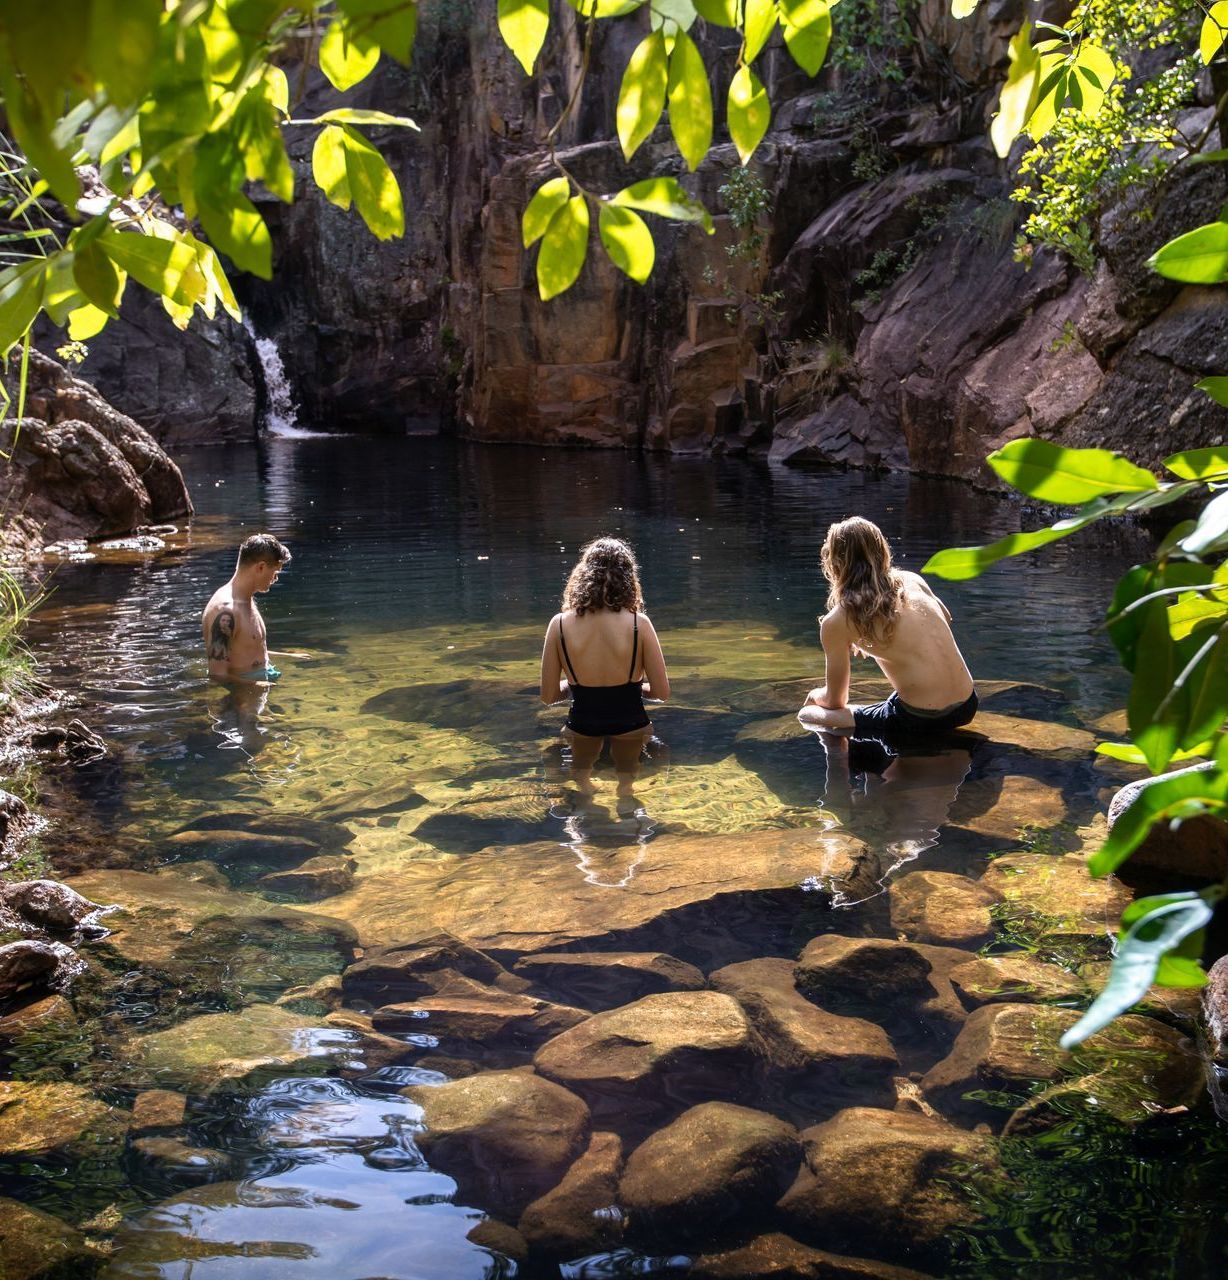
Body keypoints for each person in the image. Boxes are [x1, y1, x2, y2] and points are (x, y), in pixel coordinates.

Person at [799, 517, 976, 738]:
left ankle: (838, 770)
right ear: (882, 551)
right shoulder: (912, 580)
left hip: (919, 718)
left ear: (834, 563)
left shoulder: (838, 621)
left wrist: (816, 695)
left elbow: (836, 701)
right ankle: (873, 772)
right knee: (893, 699)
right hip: (968, 704)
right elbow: (945, 617)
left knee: (807, 714)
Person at [540, 536, 670, 796]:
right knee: (628, 783)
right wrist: (631, 689)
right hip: (631, 724)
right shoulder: (638, 624)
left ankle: (584, 803)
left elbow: (549, 696)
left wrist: (576, 687)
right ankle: (626, 796)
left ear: (583, 575)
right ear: (628, 578)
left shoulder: (559, 624)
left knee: (581, 781)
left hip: (582, 725)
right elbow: (662, 693)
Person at [202, 533, 293, 683]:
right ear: (261, 567)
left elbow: (244, 649)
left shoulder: (246, 599)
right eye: (275, 573)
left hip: (255, 688)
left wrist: (288, 656)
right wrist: (260, 685)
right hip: (239, 701)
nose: (275, 579)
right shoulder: (226, 611)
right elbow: (217, 675)